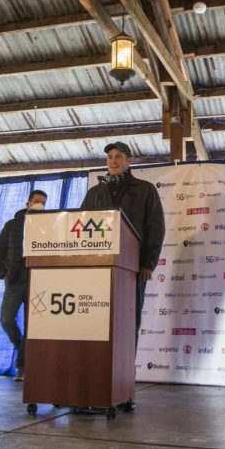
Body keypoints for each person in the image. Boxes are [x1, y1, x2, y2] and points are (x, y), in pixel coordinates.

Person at [80, 142, 165, 346]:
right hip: (98, 269)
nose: (113, 161)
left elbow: (156, 228)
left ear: (129, 161)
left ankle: (126, 373)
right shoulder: (94, 193)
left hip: (132, 269)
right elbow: (81, 227)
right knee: (98, 323)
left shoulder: (145, 190)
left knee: (128, 322)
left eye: (118, 156)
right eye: (110, 157)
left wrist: (148, 264)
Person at [0, 189, 47, 380]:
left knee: (32, 327)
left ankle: (22, 367)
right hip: (14, 281)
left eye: (43, 203)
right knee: (6, 320)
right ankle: (20, 348)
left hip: (36, 283)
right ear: (28, 204)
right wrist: (3, 273)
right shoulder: (12, 225)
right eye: (37, 202)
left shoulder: (48, 227)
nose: (40, 205)